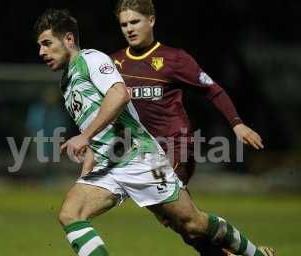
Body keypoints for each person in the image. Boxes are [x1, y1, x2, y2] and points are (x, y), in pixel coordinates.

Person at [35, 9, 284, 256]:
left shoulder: (92, 60)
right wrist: (86, 167)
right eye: (39, 45)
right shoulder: (67, 82)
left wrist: (84, 137)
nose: (41, 52)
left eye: (46, 43)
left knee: (193, 225)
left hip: (140, 159)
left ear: (68, 39)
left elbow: (119, 95)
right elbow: (95, 132)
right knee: (70, 212)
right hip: (109, 167)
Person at [111, 0, 264, 186]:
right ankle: (206, 218)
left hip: (176, 145)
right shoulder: (114, 63)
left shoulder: (175, 58)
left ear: (151, 21)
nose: (129, 29)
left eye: (135, 22)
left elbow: (212, 90)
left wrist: (237, 124)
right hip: (141, 148)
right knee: (173, 213)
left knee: (166, 198)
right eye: (124, 24)